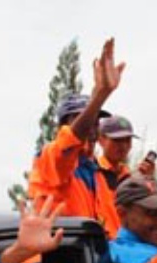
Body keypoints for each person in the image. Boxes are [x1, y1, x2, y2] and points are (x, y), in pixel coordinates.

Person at [28, 38, 129, 239]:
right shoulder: (52, 158)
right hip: (57, 258)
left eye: (95, 120)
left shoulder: (95, 172)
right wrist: (100, 96)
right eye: (83, 118)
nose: (92, 125)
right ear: (63, 125)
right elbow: (72, 139)